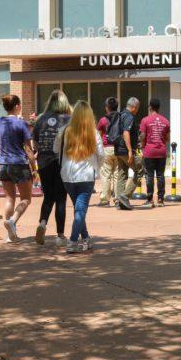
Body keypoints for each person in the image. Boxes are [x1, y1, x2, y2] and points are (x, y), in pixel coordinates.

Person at [55, 101, 107, 253]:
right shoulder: (93, 132)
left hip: (68, 176)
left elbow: (55, 149)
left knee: (79, 209)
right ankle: (72, 241)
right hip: (86, 175)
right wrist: (96, 166)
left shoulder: (64, 130)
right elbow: (102, 154)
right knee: (80, 210)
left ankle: (86, 238)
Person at [33, 91, 72, 246]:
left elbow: (35, 145)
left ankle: (42, 223)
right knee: (61, 198)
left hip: (44, 162)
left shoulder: (40, 119)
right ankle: (60, 235)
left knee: (48, 196)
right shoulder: (68, 119)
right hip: (62, 162)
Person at [0, 94, 35, 242]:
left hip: (3, 163)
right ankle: (12, 221)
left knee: (9, 198)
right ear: (17, 106)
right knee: (26, 199)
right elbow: (29, 149)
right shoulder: (22, 124)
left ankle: (9, 234)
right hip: (19, 163)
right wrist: (34, 168)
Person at [109, 97, 140, 210]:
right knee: (140, 170)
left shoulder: (121, 114)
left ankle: (119, 200)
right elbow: (126, 133)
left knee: (122, 173)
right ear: (133, 107)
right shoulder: (129, 116)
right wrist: (130, 151)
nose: (137, 110)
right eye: (137, 108)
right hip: (125, 150)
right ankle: (125, 196)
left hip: (118, 149)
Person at [139, 98, 171, 207]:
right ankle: (161, 200)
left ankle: (150, 199)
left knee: (149, 176)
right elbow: (167, 138)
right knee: (161, 175)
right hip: (161, 152)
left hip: (149, 151)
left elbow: (142, 136)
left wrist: (142, 145)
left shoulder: (145, 120)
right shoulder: (165, 121)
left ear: (150, 107)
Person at [97, 98, 117, 207]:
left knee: (106, 175)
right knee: (117, 175)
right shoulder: (120, 117)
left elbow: (98, 136)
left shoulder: (103, 120)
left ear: (107, 107)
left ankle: (105, 200)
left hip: (106, 148)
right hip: (118, 149)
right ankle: (118, 199)